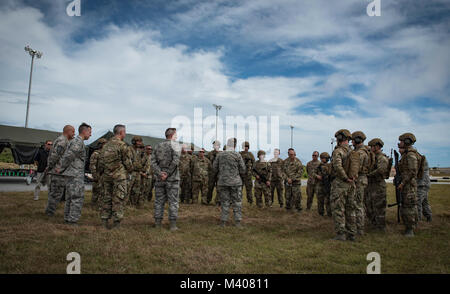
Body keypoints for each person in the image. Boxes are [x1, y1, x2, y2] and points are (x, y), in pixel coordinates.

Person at [99, 124, 133, 229]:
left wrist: (102, 173)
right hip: (119, 177)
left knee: (106, 198)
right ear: (121, 132)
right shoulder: (122, 145)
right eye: (125, 132)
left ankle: (104, 222)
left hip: (106, 176)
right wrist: (130, 170)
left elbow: (101, 162)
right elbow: (128, 163)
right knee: (118, 199)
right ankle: (116, 223)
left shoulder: (106, 145)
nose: (125, 134)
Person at [59, 123, 92, 225]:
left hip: (72, 173)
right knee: (77, 197)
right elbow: (69, 156)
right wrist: (61, 168)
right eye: (90, 132)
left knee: (70, 197)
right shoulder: (78, 142)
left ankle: (68, 218)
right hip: (75, 174)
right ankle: (72, 220)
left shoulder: (76, 141)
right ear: (84, 131)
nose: (90, 135)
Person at [151, 128, 181, 231]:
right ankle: (172, 225)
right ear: (172, 135)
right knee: (173, 201)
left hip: (160, 179)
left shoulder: (158, 146)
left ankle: (157, 223)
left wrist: (160, 173)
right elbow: (176, 161)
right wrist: (167, 174)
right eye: (176, 134)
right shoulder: (176, 145)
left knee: (159, 201)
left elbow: (153, 162)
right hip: (172, 179)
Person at [213, 138, 246, 227]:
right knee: (237, 202)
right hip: (235, 182)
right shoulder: (237, 155)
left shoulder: (220, 155)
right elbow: (243, 170)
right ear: (235, 145)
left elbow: (214, 168)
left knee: (224, 202)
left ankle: (223, 222)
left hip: (223, 182)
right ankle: (238, 222)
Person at [330, 129, 356, 241]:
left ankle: (341, 234)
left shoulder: (338, 151)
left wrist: (345, 178)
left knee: (338, 208)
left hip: (341, 183)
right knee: (350, 208)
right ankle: (352, 234)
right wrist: (351, 178)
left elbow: (337, 166)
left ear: (340, 138)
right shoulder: (352, 151)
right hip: (352, 184)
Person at [45, 125, 74, 216]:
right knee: (55, 194)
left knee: (55, 193)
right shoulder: (63, 141)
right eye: (73, 132)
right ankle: (49, 213)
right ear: (68, 131)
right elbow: (55, 156)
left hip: (58, 171)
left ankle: (50, 212)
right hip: (58, 172)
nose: (74, 134)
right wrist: (50, 167)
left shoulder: (61, 140)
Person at [397, 133, 422, 237]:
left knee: (409, 206)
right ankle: (412, 225)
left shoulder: (411, 155)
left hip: (408, 185)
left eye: (402, 141)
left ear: (407, 141)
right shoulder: (407, 154)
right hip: (407, 184)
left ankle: (410, 229)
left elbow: (412, 171)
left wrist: (403, 183)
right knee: (409, 205)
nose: (400, 143)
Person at [366, 138, 389, 231]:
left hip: (378, 185)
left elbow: (381, 170)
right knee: (370, 205)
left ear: (377, 147)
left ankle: (381, 226)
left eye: (372, 146)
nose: (371, 148)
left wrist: (369, 175)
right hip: (372, 185)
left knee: (379, 206)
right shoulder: (373, 157)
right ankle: (374, 223)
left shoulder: (382, 158)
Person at [351, 131, 370, 236]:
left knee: (358, 204)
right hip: (360, 179)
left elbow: (356, 169)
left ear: (358, 140)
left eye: (353, 139)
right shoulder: (362, 151)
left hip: (359, 180)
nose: (352, 141)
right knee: (359, 203)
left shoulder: (360, 153)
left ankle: (359, 228)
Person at [283, 148, 303, 213]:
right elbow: (282, 172)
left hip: (296, 183)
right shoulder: (285, 162)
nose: (291, 155)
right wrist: (287, 179)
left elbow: (300, 172)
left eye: (292, 154)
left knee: (297, 196)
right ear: (288, 154)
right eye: (290, 154)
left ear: (295, 154)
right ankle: (288, 208)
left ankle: (298, 208)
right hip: (287, 182)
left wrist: (292, 179)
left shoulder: (298, 162)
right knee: (288, 195)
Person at [89, 138, 107, 209]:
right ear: (101, 145)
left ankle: (100, 206)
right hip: (98, 175)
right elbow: (92, 165)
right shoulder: (96, 153)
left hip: (104, 175)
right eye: (105, 144)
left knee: (103, 192)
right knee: (96, 192)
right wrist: (95, 176)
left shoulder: (105, 154)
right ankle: (93, 207)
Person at [128, 136, 145, 208]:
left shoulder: (139, 151)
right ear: (134, 141)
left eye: (140, 142)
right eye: (138, 141)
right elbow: (129, 161)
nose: (139, 143)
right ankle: (126, 204)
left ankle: (133, 204)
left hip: (138, 172)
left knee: (136, 189)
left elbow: (140, 162)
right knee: (128, 188)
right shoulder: (129, 149)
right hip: (131, 172)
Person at [316, 152, 332, 217]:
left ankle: (329, 213)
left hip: (327, 185)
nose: (322, 159)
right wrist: (317, 176)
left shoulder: (330, 166)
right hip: (320, 185)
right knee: (320, 200)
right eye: (322, 158)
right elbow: (313, 173)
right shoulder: (319, 166)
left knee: (328, 200)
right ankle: (321, 213)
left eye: (324, 158)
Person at [417, 156, 432, 222]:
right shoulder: (421, 158)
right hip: (423, 183)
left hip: (422, 184)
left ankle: (418, 220)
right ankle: (429, 216)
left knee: (418, 201)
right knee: (424, 201)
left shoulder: (419, 159)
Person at [207, 140, 221, 205]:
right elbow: (207, 162)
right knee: (210, 187)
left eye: (217, 145)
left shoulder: (221, 154)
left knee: (219, 188)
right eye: (214, 145)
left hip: (219, 173)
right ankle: (208, 200)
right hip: (211, 173)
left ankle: (217, 201)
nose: (215, 146)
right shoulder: (210, 153)